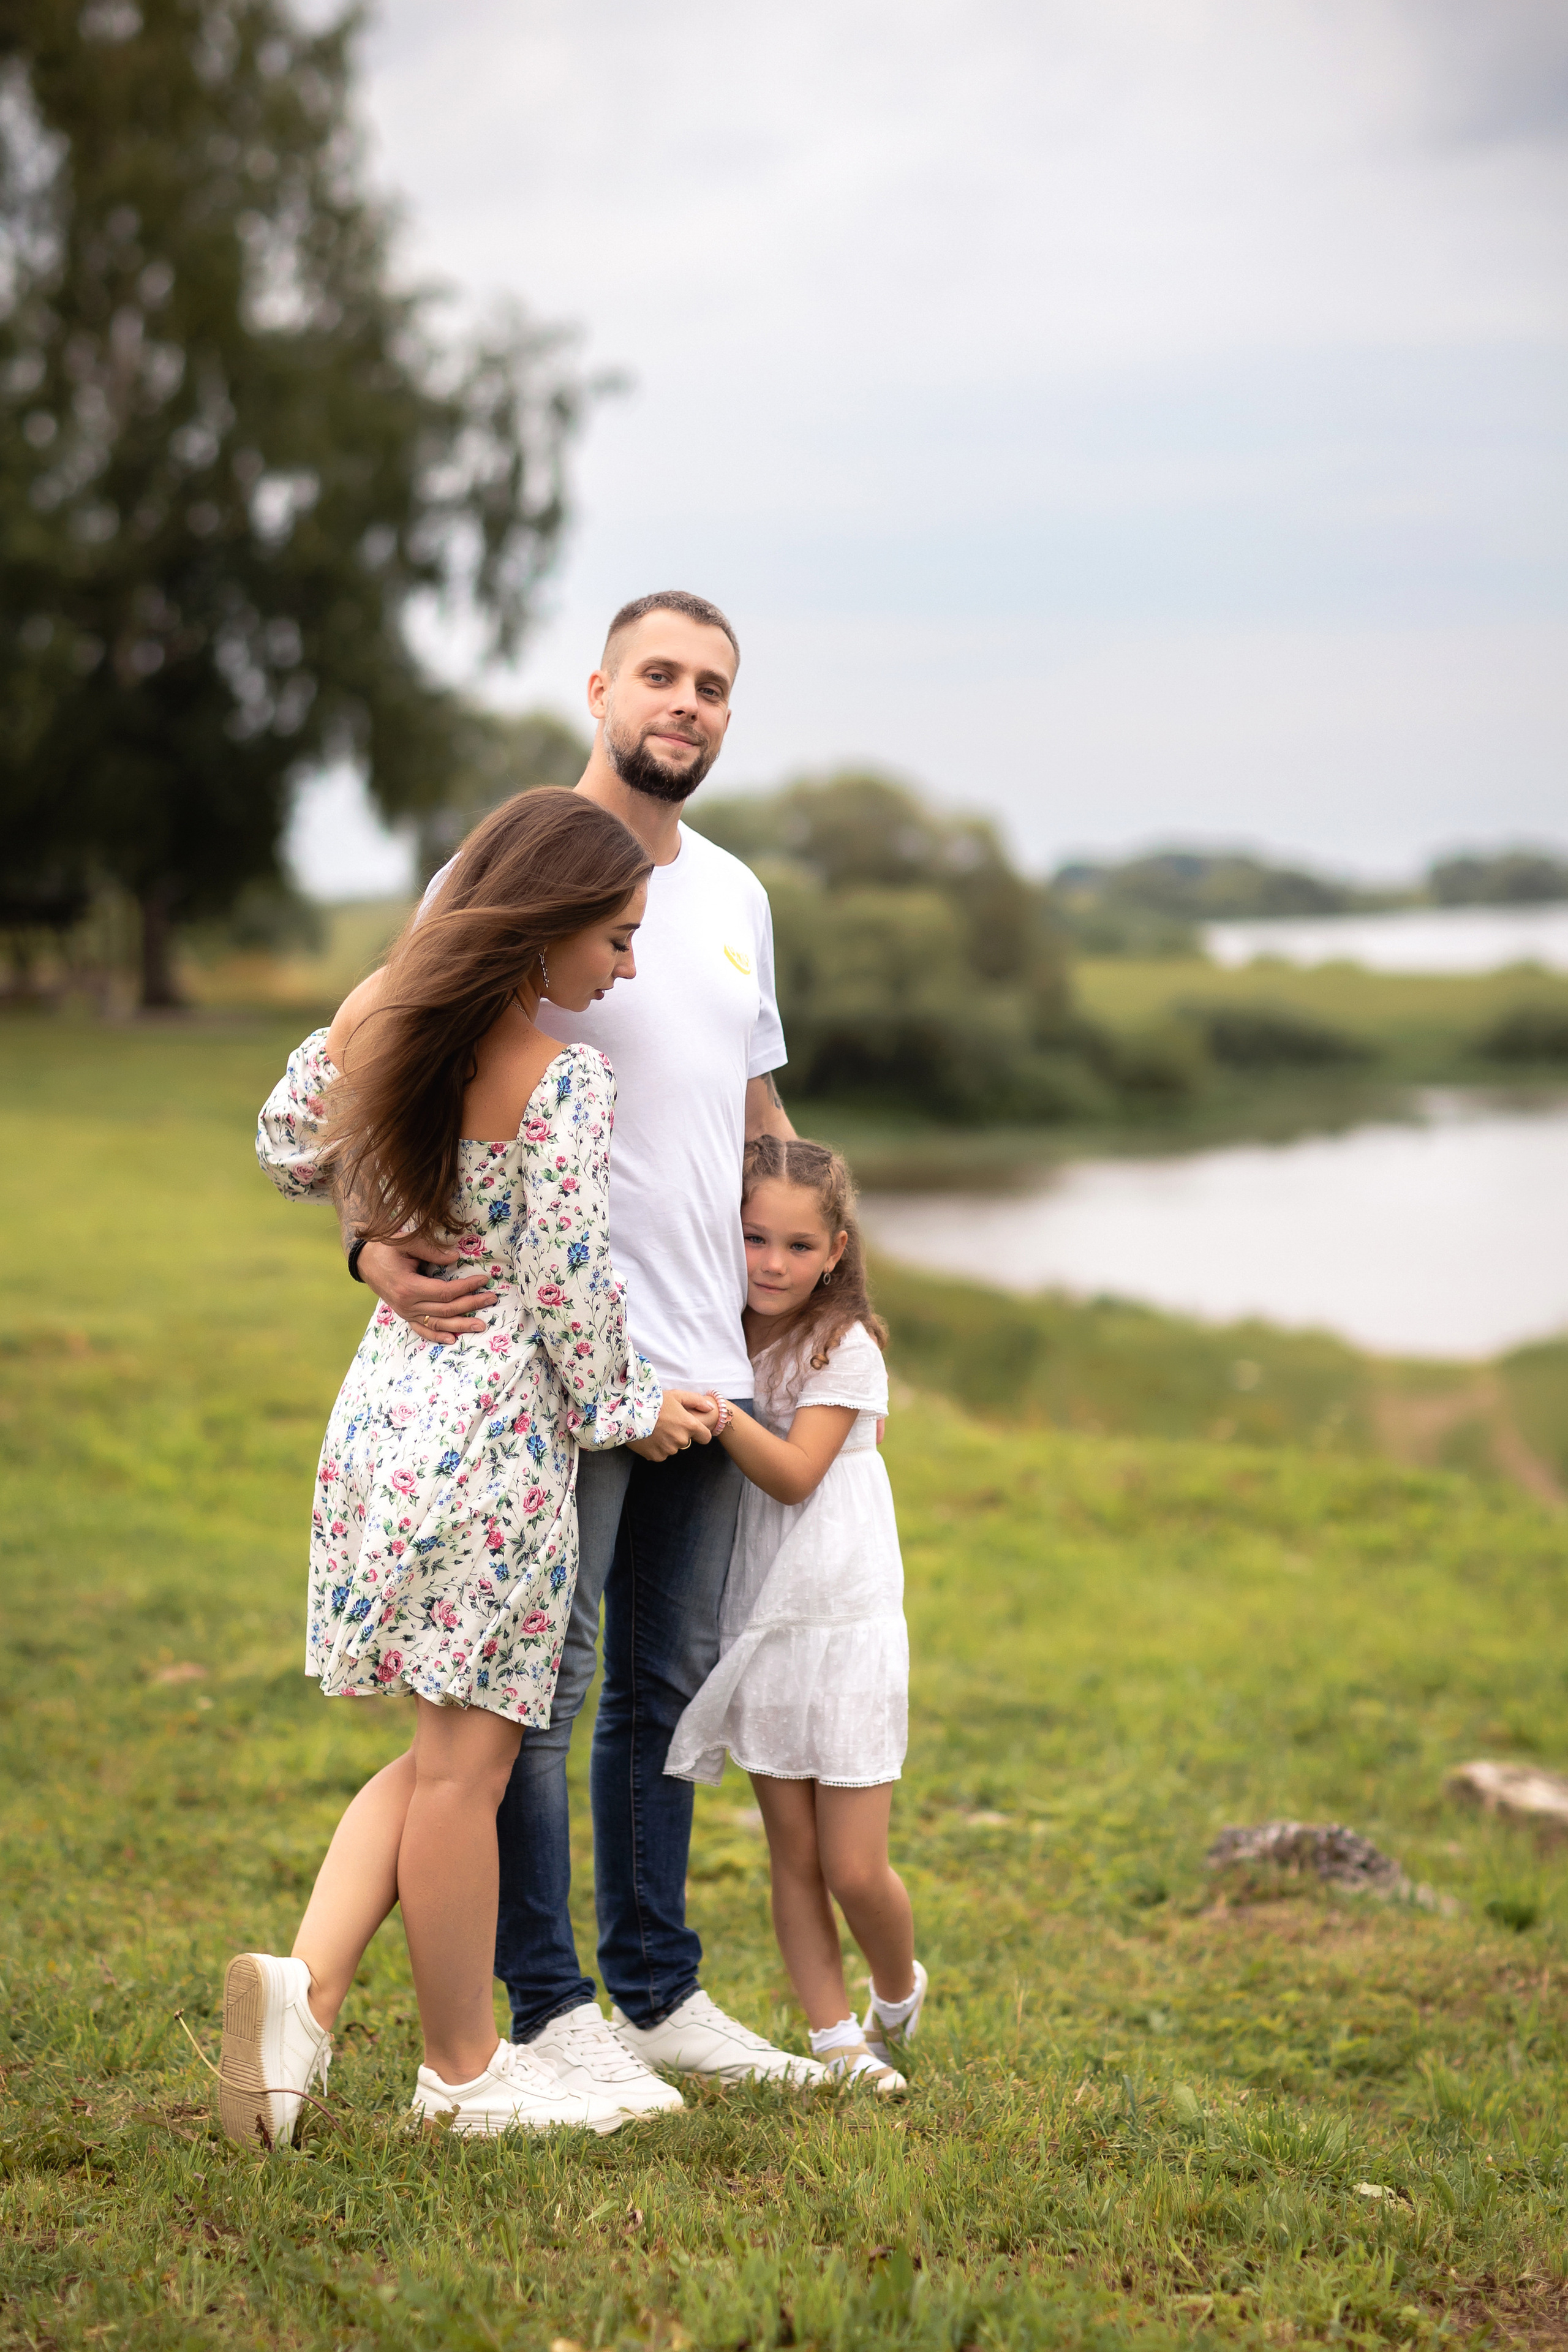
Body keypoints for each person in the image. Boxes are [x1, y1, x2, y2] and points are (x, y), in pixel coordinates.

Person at [328, 591, 820, 2105]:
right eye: (661, 676)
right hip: (556, 1374)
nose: (687, 704)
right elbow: (381, 1055)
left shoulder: (731, 894)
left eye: (715, 688)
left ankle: (658, 1992)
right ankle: (544, 2010)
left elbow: (755, 1119)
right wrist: (364, 1238)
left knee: (668, 1688)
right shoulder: (509, 870)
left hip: (708, 1360)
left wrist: (818, 1305)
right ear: (600, 688)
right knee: (536, 1695)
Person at [227, 790, 676, 2143]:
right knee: (470, 1774)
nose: (626, 967)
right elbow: (565, 1284)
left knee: (439, 1755)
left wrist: (377, 1239)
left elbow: (285, 1146)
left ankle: (301, 1995)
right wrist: (633, 1410)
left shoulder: (380, 1013)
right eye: (614, 938)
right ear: (540, 931)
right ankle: (462, 2075)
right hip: (492, 1447)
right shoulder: (561, 1077)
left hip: (384, 1420)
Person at [665, 1136, 927, 2093]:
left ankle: (895, 1991)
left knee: (855, 1867)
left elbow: (795, 1475)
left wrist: (720, 1411)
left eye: (796, 1246)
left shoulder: (843, 1347)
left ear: (837, 1250)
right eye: (753, 1239)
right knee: (793, 1856)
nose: (771, 1264)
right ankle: (834, 2042)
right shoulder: (723, 1329)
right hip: (764, 1616)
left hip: (845, 1615)